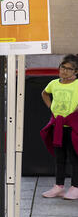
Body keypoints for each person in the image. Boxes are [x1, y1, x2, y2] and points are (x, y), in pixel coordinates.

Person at [40, 54, 78, 199]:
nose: (65, 71)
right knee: (59, 157)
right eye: (63, 67)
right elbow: (44, 93)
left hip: (73, 126)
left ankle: (75, 186)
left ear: (76, 72)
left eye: (70, 69)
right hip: (58, 126)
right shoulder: (54, 83)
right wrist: (51, 107)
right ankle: (58, 186)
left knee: (75, 157)